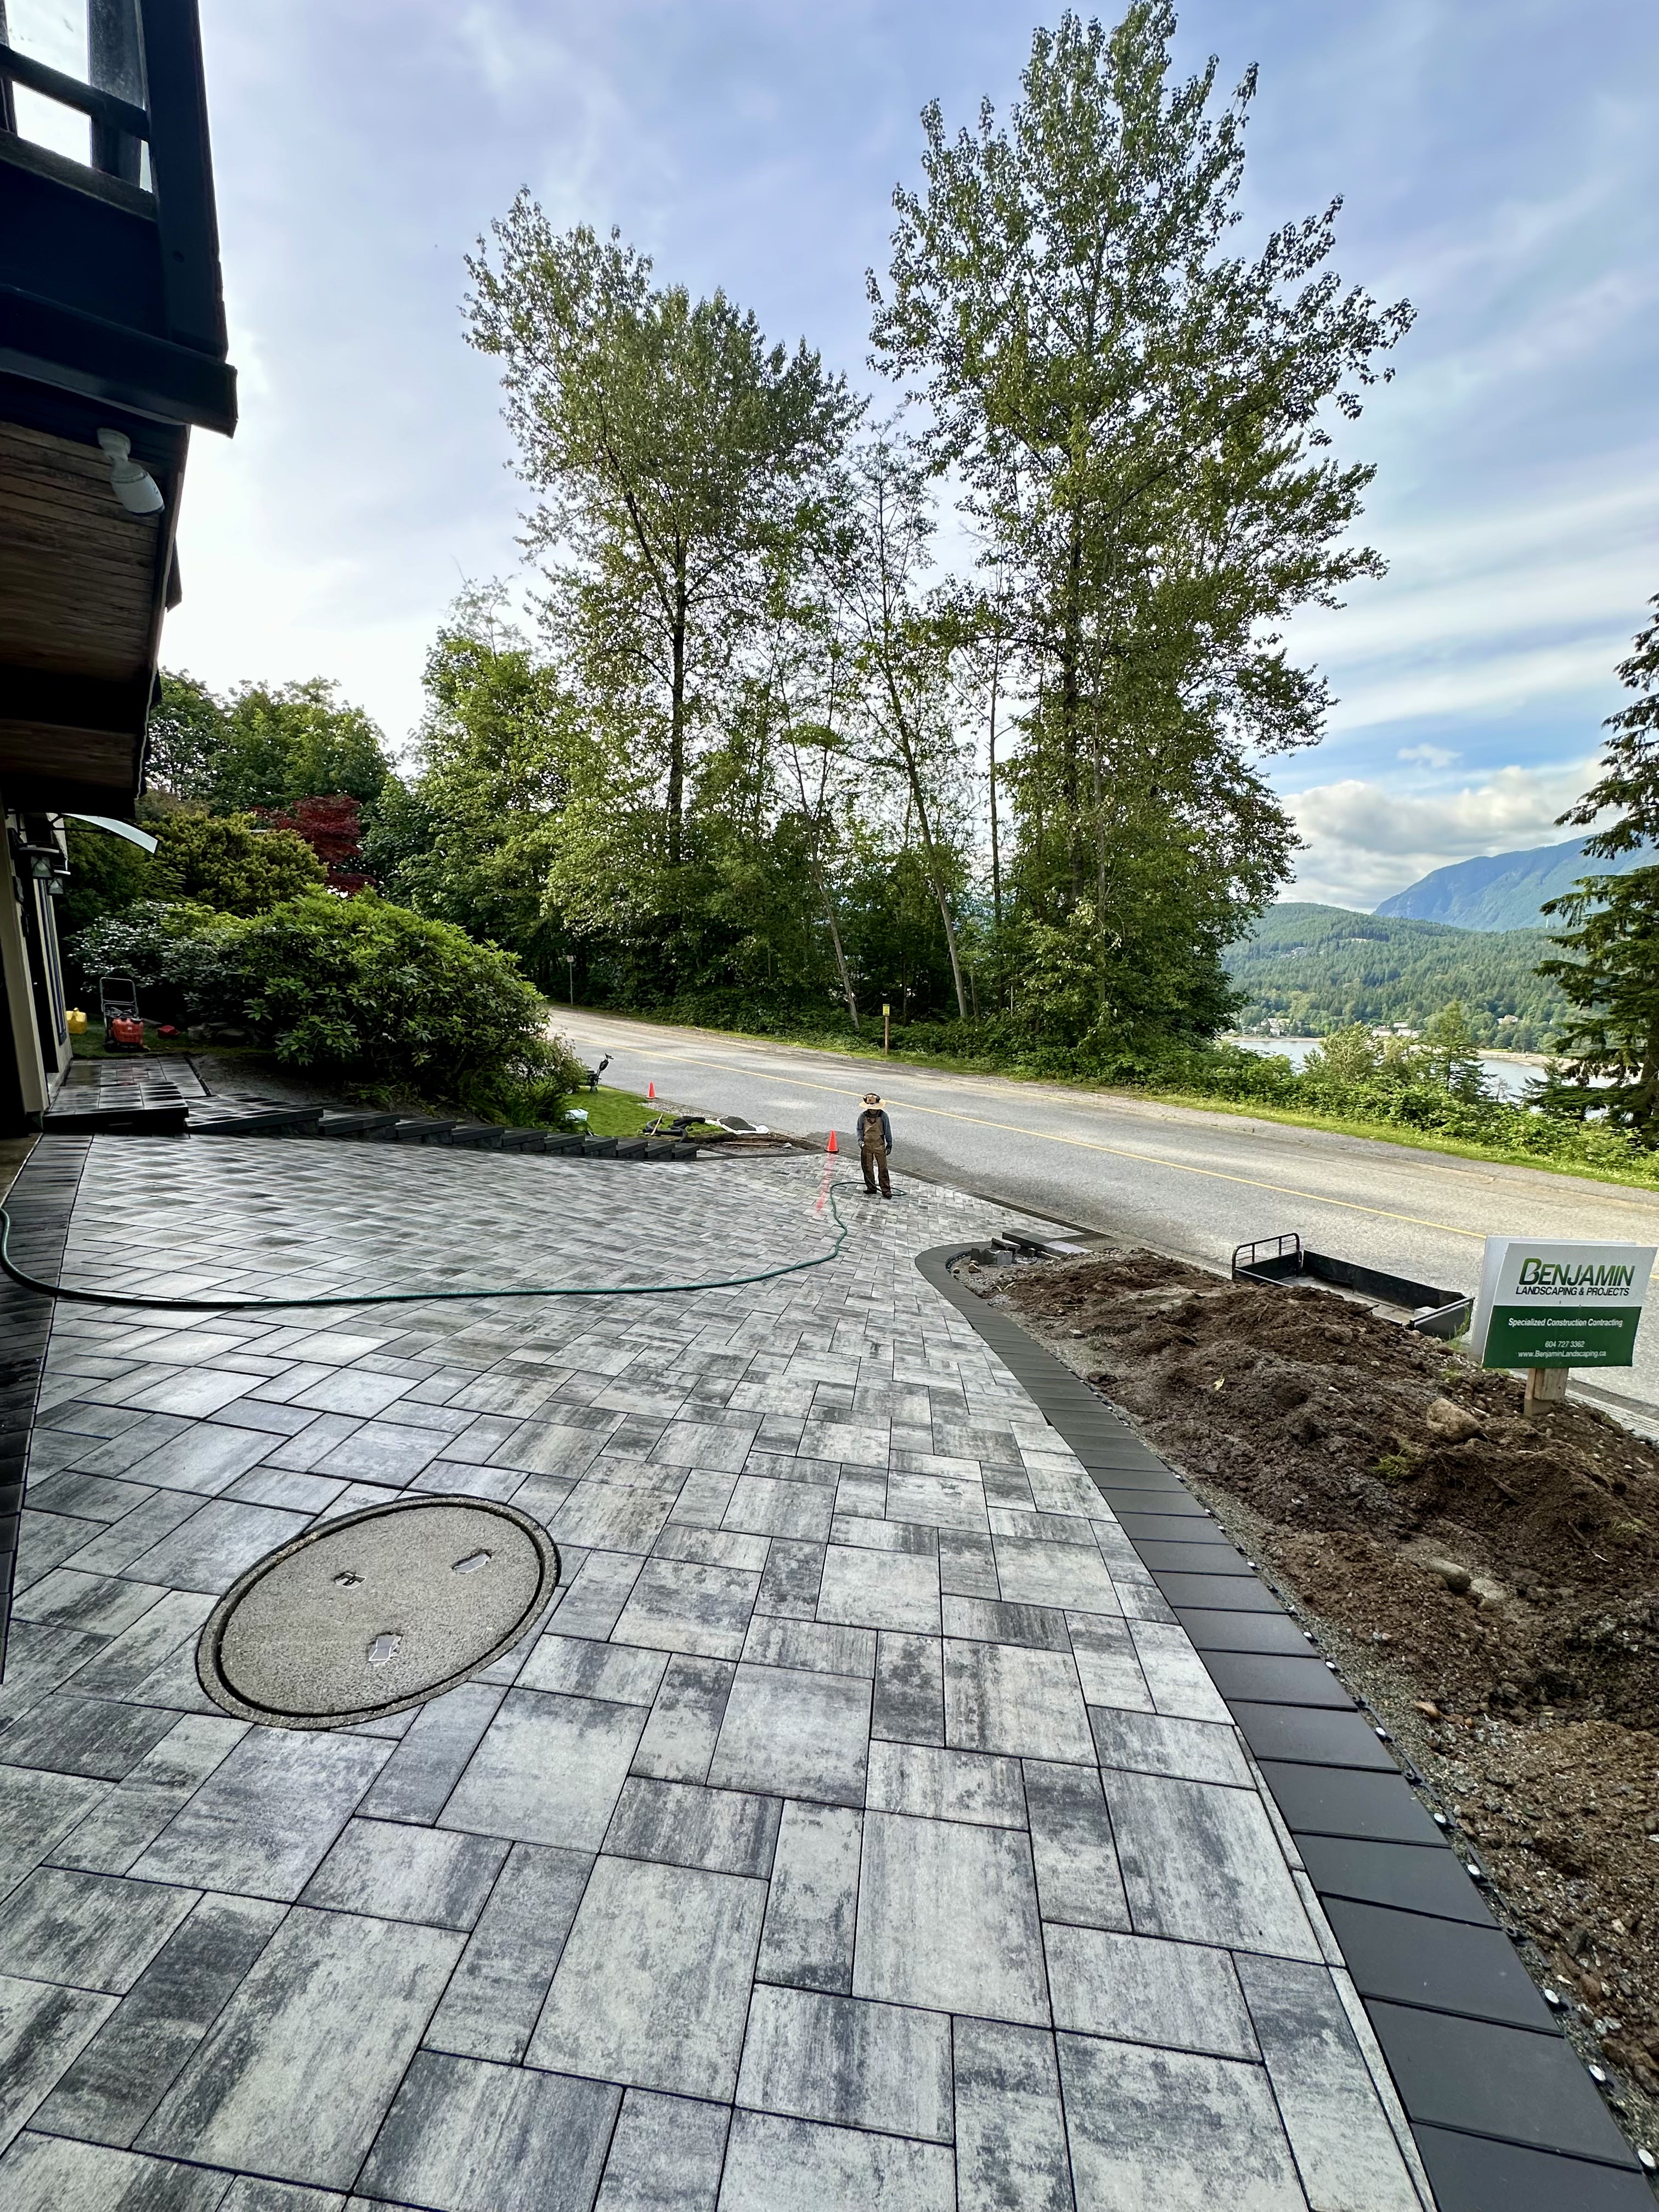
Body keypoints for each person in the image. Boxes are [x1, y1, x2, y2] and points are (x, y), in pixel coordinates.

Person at [857, 1092, 893, 1198]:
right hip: (866, 1145)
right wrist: (860, 1142)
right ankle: (871, 1187)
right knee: (867, 1167)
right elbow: (859, 1130)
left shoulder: (883, 1116)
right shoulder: (863, 1116)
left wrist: (889, 1144)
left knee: (883, 1168)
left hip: (879, 1145)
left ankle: (886, 1190)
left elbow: (888, 1130)